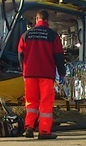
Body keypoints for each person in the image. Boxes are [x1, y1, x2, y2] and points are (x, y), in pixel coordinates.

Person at [18, 9, 66, 139]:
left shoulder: (26, 35)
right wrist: (62, 73)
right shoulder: (52, 35)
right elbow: (59, 56)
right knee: (45, 102)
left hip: (29, 74)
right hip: (46, 74)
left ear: (36, 19)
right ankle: (44, 131)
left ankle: (28, 127)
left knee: (31, 101)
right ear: (47, 20)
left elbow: (20, 55)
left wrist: (24, 70)